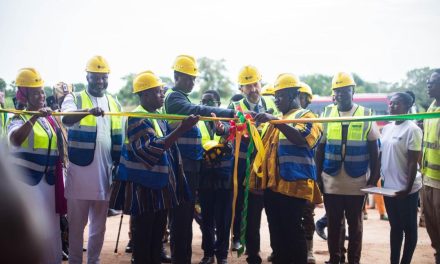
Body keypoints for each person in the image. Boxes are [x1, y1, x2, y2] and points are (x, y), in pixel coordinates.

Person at [113, 70, 198, 264]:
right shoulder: (137, 118)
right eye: (159, 92)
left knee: (156, 238)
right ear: (145, 94)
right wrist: (182, 129)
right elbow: (151, 149)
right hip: (145, 189)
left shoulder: (157, 115)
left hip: (160, 189)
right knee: (144, 238)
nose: (162, 96)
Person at [163, 55, 235, 264]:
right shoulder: (175, 98)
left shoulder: (181, 97)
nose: (192, 82)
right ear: (176, 76)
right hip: (183, 167)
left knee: (185, 219)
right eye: (188, 78)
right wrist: (230, 113)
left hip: (193, 168)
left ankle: (183, 258)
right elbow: (200, 111)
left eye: (194, 78)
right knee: (181, 220)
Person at [253, 73, 322, 264]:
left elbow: (302, 139)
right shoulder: (277, 120)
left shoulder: (307, 116)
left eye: (280, 96)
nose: (276, 100)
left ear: (293, 95)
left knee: (293, 232)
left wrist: (275, 121)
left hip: (294, 185)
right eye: (275, 96)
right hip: (273, 186)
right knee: (277, 232)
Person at [61, 56, 123, 264]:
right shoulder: (75, 98)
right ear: (87, 76)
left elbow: (119, 138)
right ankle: (75, 261)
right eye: (95, 77)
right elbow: (66, 118)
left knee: (99, 226)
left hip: (105, 173)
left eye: (103, 77)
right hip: (80, 173)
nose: (100, 82)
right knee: (77, 225)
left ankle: (94, 261)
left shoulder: (114, 101)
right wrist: (87, 112)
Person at [316, 72, 381, 264]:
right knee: (334, 224)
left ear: (353, 91)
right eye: (337, 91)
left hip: (357, 181)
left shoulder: (366, 114)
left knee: (355, 226)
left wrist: (373, 177)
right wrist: (317, 176)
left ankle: (354, 260)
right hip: (331, 180)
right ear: (333, 93)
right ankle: (336, 259)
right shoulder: (327, 113)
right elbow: (320, 148)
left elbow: (374, 150)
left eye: (345, 90)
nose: (341, 94)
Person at [7, 68, 62, 263]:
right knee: (37, 228)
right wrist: (34, 117)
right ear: (24, 96)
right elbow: (14, 140)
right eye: (35, 92)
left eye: (41, 91)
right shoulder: (16, 118)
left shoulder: (47, 119)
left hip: (47, 182)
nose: (41, 96)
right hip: (28, 184)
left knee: (52, 229)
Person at [229, 65, 278, 263]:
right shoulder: (234, 107)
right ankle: (253, 252)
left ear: (261, 83)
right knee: (249, 210)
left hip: (269, 166)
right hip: (244, 165)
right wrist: (221, 129)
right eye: (248, 86)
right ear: (241, 89)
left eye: (255, 84)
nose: (253, 89)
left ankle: (277, 250)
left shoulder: (272, 105)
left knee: (274, 209)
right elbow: (225, 130)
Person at [380, 91, 422, 264]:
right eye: (391, 103)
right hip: (389, 187)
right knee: (395, 227)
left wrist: (407, 187)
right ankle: (394, 261)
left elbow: (413, 162)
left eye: (397, 103)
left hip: (407, 189)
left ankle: (405, 261)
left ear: (407, 106)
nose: (392, 106)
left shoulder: (413, 129)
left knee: (409, 228)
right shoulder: (388, 128)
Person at [198, 90, 233, 264]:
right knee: (206, 219)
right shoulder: (197, 122)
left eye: (210, 101)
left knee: (223, 220)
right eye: (203, 101)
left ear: (219, 104)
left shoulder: (228, 122)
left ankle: (222, 255)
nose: (206, 105)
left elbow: (233, 143)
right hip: (204, 177)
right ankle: (208, 254)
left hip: (224, 178)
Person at [422, 69, 440, 264]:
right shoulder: (431, 110)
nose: (428, 85)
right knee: (432, 226)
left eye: (432, 83)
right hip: (428, 177)